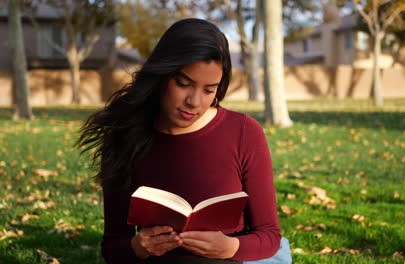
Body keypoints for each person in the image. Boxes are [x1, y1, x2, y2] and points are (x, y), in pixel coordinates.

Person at [77, 18, 281, 264]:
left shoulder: (244, 132)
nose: (194, 102)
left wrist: (230, 247)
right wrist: (138, 247)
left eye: (209, 90)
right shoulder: (124, 135)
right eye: (184, 84)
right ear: (162, 76)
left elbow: (269, 236)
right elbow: (112, 247)